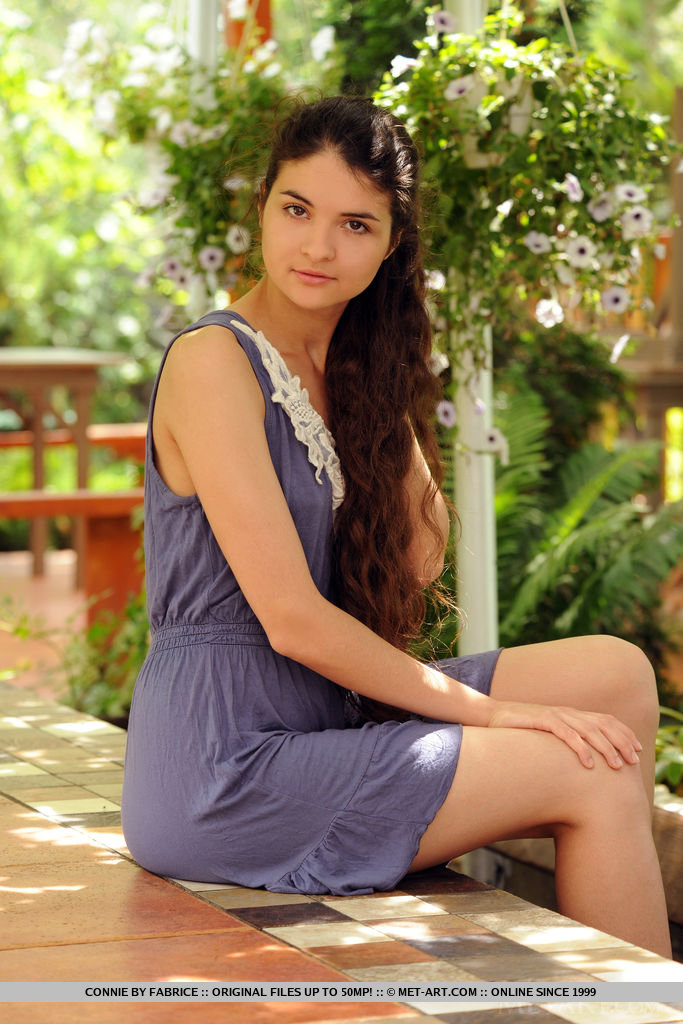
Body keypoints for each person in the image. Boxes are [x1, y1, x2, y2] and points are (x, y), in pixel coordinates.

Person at [121, 95, 671, 958]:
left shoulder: (340, 363)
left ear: (391, 245)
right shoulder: (212, 362)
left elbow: (418, 558)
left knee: (617, 676)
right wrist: (492, 717)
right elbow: (293, 622)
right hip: (222, 763)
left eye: (355, 225)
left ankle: (588, 935)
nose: (318, 247)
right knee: (588, 768)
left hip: (325, 716)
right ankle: (635, 1004)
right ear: (260, 207)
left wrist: (376, 370)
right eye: (296, 210)